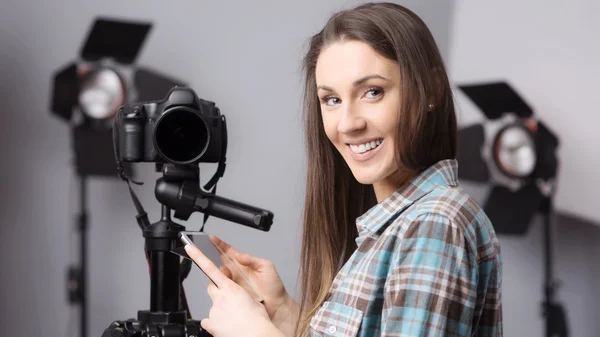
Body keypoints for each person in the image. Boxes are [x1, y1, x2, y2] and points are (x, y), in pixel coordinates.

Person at [184, 2, 503, 337]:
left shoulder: (434, 223)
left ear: (432, 90)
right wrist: (283, 314)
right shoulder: (396, 227)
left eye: (373, 92)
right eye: (332, 100)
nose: (348, 124)